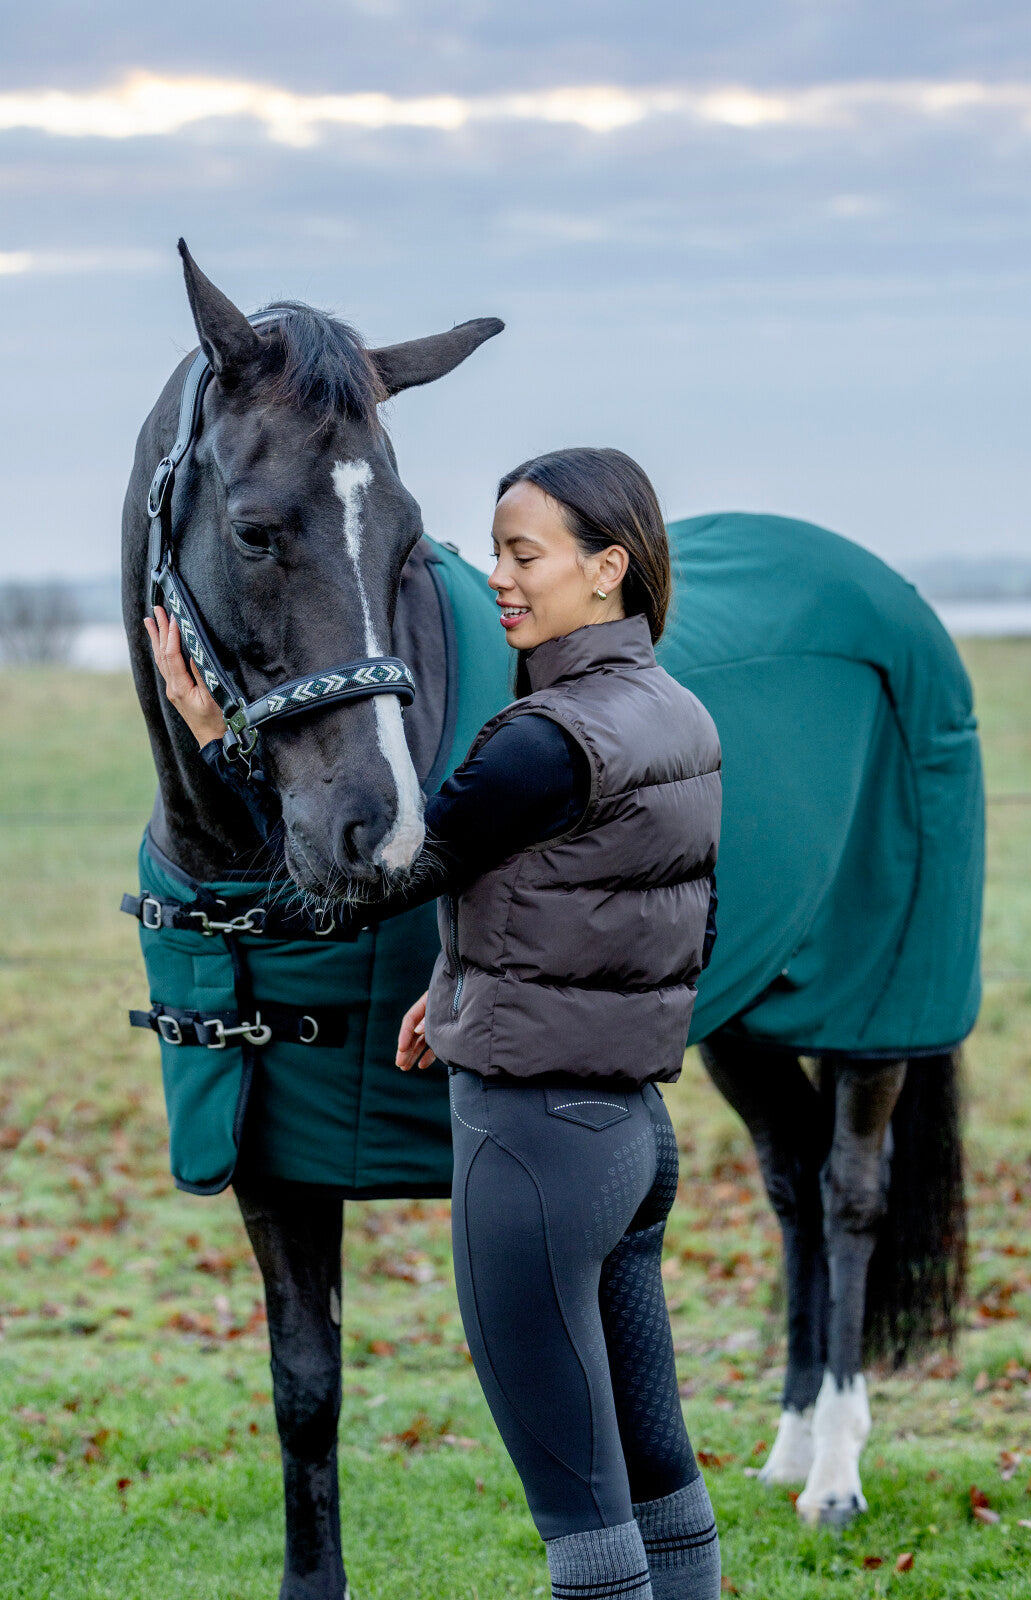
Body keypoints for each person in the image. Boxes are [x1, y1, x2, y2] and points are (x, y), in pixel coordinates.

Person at [147, 446, 723, 1600]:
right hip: (627, 1137)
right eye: (496, 550)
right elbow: (626, 917)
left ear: (607, 568)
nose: (498, 578)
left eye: (525, 555)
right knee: (661, 1484)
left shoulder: (541, 739)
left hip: (531, 1149)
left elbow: (366, 880)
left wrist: (221, 738)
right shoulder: (669, 712)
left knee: (583, 1525)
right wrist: (458, 986)